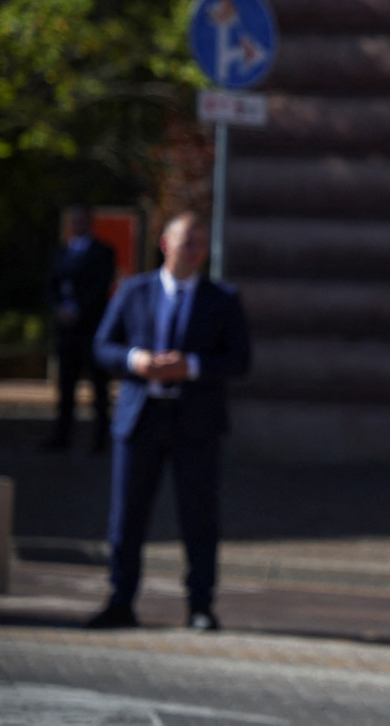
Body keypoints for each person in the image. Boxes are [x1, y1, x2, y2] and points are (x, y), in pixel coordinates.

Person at [86, 212, 251, 631]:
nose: (194, 250)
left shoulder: (223, 299)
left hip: (195, 422)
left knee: (199, 516)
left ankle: (200, 606)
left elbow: (239, 360)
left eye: (200, 243)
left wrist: (191, 366)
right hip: (141, 418)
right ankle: (120, 601)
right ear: (165, 244)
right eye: (186, 241)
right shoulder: (134, 291)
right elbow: (103, 346)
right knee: (127, 516)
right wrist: (135, 360)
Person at [45, 204, 116, 452]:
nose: (78, 225)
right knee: (65, 386)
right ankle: (61, 437)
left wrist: (78, 310)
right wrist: (58, 309)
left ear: (90, 222)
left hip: (91, 328)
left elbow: (101, 286)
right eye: (74, 221)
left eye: (82, 221)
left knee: (98, 386)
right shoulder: (63, 252)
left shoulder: (103, 252)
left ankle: (100, 440)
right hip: (66, 332)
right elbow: (51, 284)